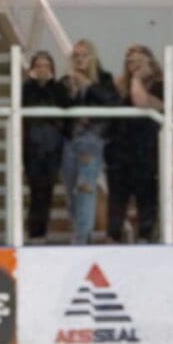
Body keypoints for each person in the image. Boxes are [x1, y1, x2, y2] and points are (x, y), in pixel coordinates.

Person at [64, 38, 118, 246]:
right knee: (71, 190)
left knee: (85, 187)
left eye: (83, 55)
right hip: (70, 140)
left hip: (93, 139)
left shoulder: (104, 79)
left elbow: (111, 102)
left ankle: (81, 239)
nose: (79, 60)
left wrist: (88, 85)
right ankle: (79, 231)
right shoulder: (67, 80)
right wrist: (71, 92)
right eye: (75, 56)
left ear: (92, 57)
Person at [110, 44, 163, 243]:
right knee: (116, 201)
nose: (133, 65)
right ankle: (113, 239)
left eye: (138, 61)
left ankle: (146, 239)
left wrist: (137, 79)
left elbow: (142, 102)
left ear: (149, 61)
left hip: (145, 152)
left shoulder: (159, 84)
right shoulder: (119, 85)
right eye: (130, 62)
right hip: (119, 152)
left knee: (146, 199)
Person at [18, 48, 69, 243]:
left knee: (47, 190)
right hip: (32, 146)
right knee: (35, 189)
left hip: (52, 146)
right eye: (38, 66)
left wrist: (47, 84)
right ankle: (34, 232)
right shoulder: (26, 88)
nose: (42, 69)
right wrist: (34, 83)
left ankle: (41, 232)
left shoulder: (57, 88)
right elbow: (26, 104)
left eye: (46, 66)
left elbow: (63, 106)